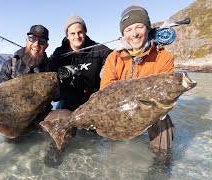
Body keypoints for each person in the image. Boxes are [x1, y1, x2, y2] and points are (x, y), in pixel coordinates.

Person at [100, 5, 175, 152]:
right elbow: (105, 92)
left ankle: (161, 163)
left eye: (139, 27)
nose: (134, 34)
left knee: (164, 120)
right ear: (123, 33)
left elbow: (166, 92)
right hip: (120, 110)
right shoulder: (113, 58)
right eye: (128, 30)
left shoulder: (164, 57)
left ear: (148, 28)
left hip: (148, 110)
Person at [0, 25, 51, 130]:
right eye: (32, 38)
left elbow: (58, 96)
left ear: (46, 46)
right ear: (27, 40)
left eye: (42, 41)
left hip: (42, 117)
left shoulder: (51, 67)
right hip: (14, 120)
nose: (36, 44)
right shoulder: (10, 66)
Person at [47, 15, 112, 111]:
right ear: (67, 36)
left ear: (85, 32)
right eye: (72, 33)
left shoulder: (98, 49)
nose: (77, 37)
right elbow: (48, 70)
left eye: (80, 32)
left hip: (93, 101)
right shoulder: (59, 52)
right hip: (67, 101)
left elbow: (115, 59)